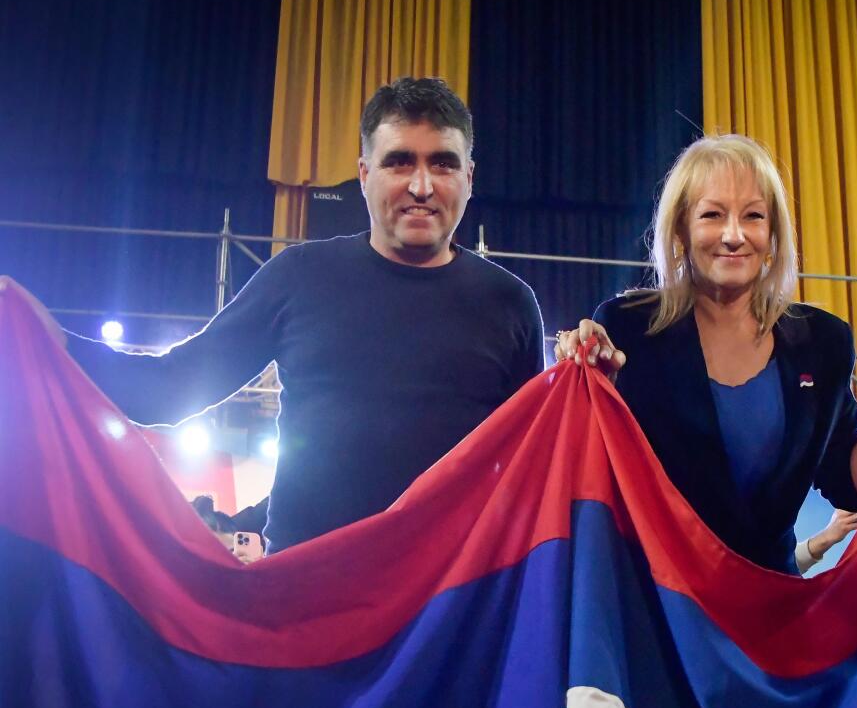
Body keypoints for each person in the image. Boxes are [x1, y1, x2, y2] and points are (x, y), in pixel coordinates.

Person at [5, 77, 545, 552]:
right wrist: (55, 343)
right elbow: (168, 389)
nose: (421, 186)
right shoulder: (298, 278)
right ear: (363, 174)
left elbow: (536, 467)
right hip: (306, 605)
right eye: (399, 161)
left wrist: (592, 377)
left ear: (469, 178)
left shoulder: (511, 304)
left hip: (449, 614)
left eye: (442, 164)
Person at [556, 135, 857, 574]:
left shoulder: (823, 340)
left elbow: (847, 479)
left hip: (768, 610)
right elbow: (588, 468)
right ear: (681, 228)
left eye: (753, 216)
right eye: (712, 215)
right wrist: (583, 380)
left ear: (773, 233)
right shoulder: (628, 327)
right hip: (656, 601)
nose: (734, 235)